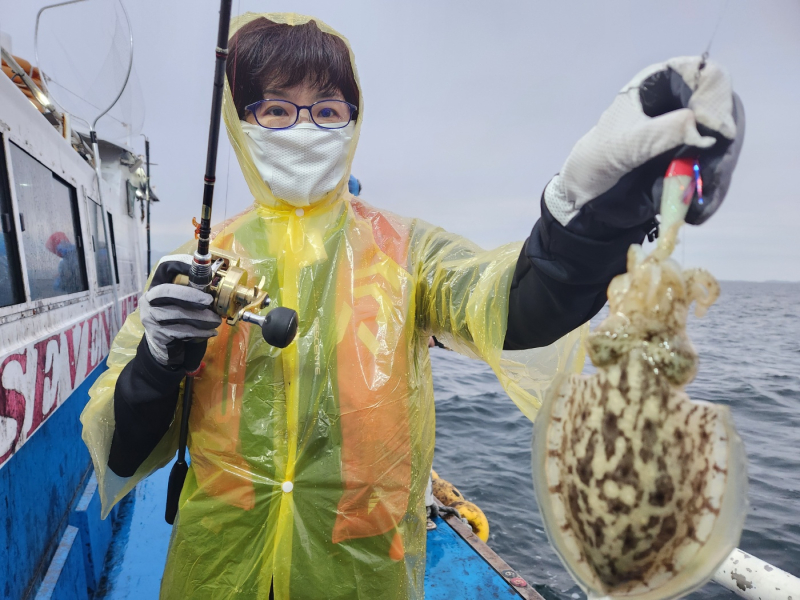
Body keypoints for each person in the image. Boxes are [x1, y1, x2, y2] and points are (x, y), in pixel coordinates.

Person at [81, 13, 744, 600]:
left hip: (360, 580)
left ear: (353, 119)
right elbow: (121, 450)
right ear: (242, 121)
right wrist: (160, 359)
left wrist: (589, 208)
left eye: (328, 109)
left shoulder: (409, 252)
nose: (303, 127)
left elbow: (518, 303)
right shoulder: (198, 267)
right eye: (276, 110)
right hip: (214, 574)